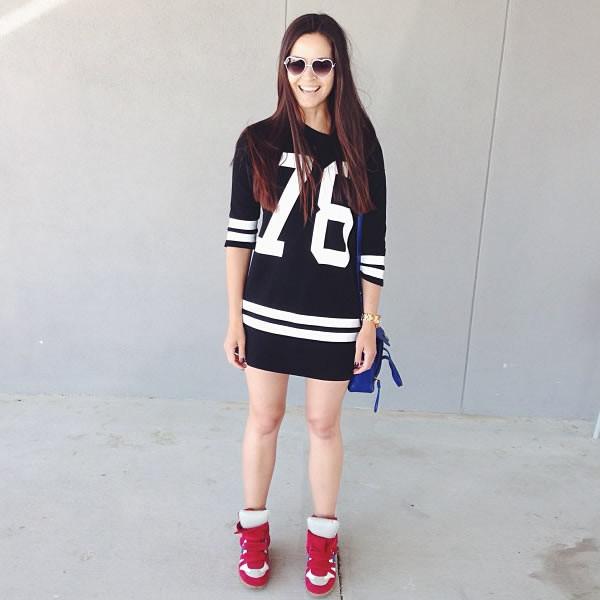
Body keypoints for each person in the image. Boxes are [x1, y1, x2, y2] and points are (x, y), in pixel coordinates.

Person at [223, 12, 386, 597]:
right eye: (297, 63)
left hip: (334, 318)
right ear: (284, 68)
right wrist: (234, 318)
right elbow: (239, 237)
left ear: (338, 70)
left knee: (323, 424)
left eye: (321, 64)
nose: (308, 76)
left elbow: (373, 245)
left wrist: (369, 324)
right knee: (264, 419)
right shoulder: (256, 142)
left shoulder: (361, 146)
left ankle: (322, 539)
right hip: (266, 312)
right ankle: (254, 530)